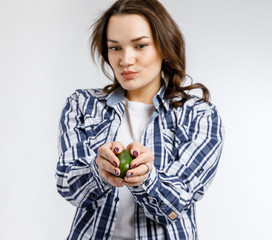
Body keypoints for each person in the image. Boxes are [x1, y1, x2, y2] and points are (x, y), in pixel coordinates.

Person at [56, 0, 225, 239]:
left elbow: (177, 204)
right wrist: (98, 169)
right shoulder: (82, 105)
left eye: (140, 45)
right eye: (115, 48)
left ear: (164, 47)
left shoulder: (199, 115)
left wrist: (147, 178)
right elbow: (69, 186)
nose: (125, 60)